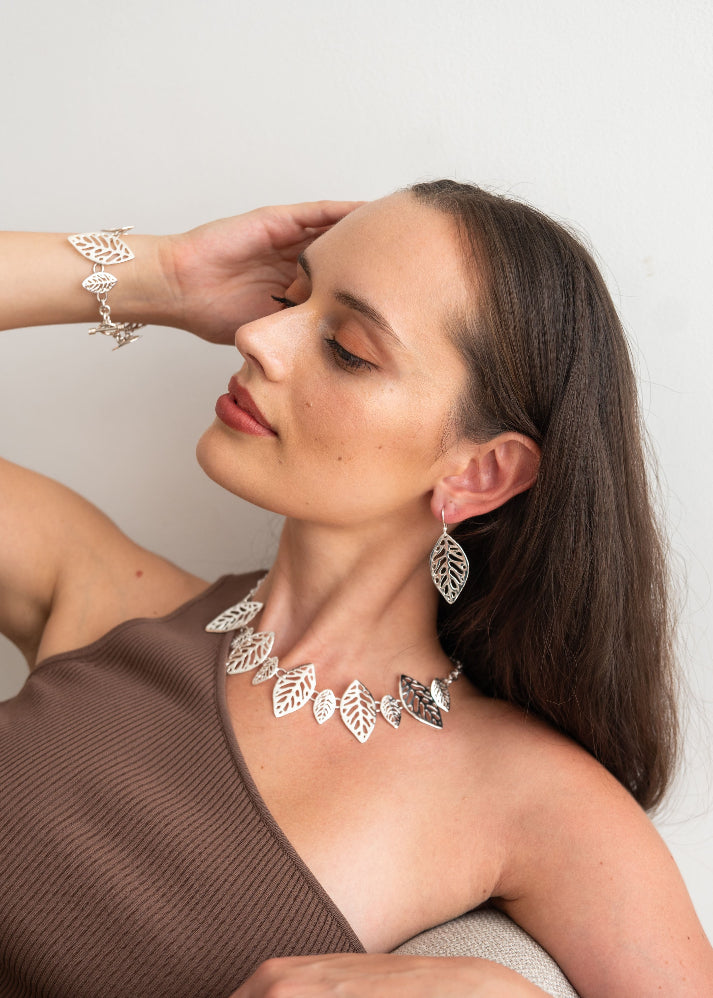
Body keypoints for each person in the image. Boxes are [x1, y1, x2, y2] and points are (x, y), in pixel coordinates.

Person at [0, 181, 711, 998]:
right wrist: (162, 275)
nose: (256, 335)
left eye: (346, 347)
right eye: (290, 295)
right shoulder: (99, 591)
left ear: (479, 473)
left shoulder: (534, 802)